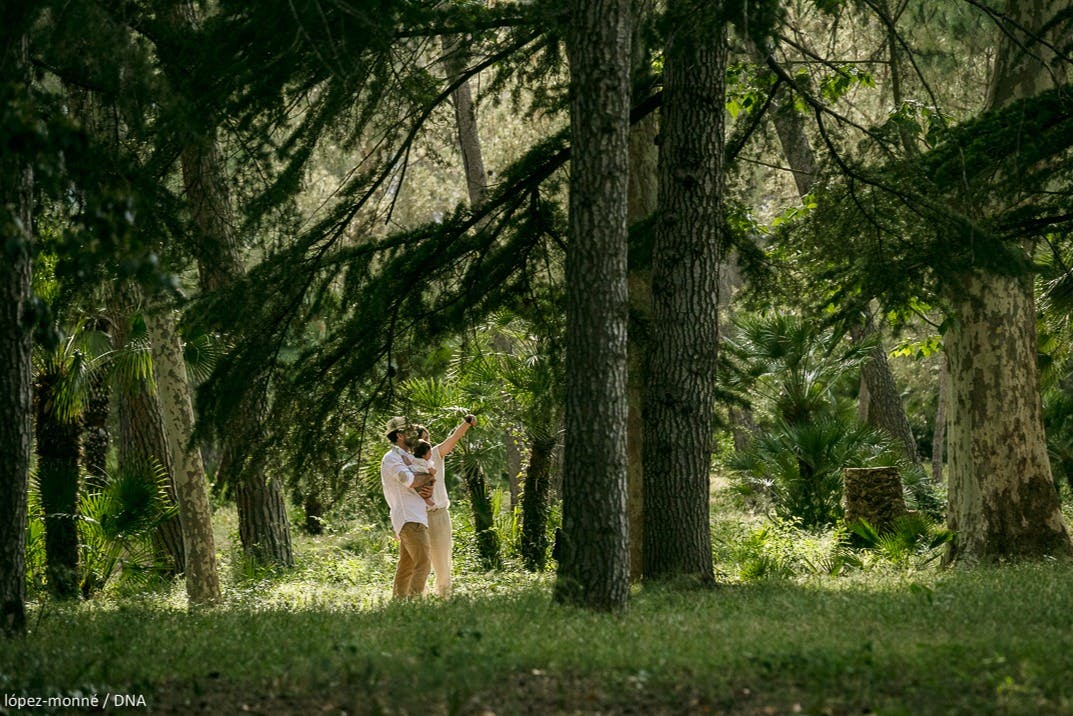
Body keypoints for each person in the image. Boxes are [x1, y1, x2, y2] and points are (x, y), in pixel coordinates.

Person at [412, 413, 477, 599]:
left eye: (428, 438)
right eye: (424, 439)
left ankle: (444, 594)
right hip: (418, 516)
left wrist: (467, 422)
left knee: (443, 559)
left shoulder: (437, 454)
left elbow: (454, 437)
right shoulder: (407, 463)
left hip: (439, 514)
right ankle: (418, 596)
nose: (428, 443)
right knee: (420, 560)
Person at [380, 416, 436, 599]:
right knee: (424, 563)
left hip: (415, 517)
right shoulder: (391, 459)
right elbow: (409, 481)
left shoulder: (409, 458)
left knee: (407, 565)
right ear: (400, 436)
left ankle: (400, 601)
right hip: (409, 518)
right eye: (409, 431)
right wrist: (428, 477)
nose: (414, 435)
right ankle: (415, 600)